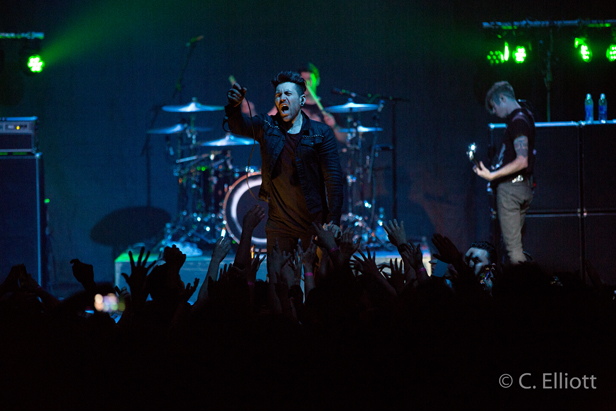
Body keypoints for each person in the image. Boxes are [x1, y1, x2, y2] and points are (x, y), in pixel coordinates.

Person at [224, 70, 344, 253]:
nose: (282, 99)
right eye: (278, 95)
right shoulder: (267, 126)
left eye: (288, 94)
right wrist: (234, 107)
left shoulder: (321, 132)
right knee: (280, 270)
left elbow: (333, 178)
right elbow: (238, 126)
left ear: (301, 100)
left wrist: (333, 219)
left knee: (316, 268)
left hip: (313, 219)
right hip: (279, 221)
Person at [474, 81, 535, 265]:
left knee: (513, 250)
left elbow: (522, 160)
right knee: (513, 246)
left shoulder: (518, 122)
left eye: (494, 107)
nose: (494, 112)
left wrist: (492, 175)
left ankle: (521, 281)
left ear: (502, 98)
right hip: (522, 186)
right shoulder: (525, 117)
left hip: (511, 190)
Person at [266, 63, 347, 143]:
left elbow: (345, 139)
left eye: (309, 79)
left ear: (317, 81)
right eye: (303, 80)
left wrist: (334, 126)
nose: (306, 83)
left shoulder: (329, 108)